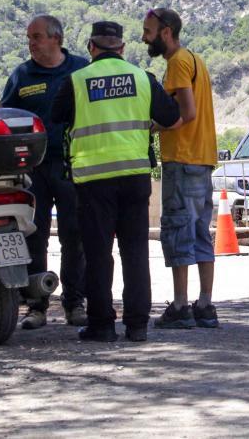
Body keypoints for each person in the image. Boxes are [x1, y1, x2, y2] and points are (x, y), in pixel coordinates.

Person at [52, 21, 180, 343]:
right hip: (135, 178)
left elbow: (56, 116)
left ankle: (102, 325)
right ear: (122, 49)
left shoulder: (76, 81)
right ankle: (137, 326)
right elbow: (172, 118)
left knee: (98, 255)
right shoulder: (142, 78)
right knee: (135, 252)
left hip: (93, 181)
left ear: (92, 49)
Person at [0, 14, 90, 330]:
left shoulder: (80, 69)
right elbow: (4, 116)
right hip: (32, 171)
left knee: (74, 235)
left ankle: (75, 303)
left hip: (70, 166)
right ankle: (36, 305)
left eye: (36, 37)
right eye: (29, 38)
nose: (31, 44)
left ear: (56, 38)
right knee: (33, 236)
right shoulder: (23, 74)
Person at [141, 8, 219, 330]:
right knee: (201, 234)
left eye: (149, 31)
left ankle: (180, 305)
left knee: (177, 232)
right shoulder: (195, 59)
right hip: (202, 159)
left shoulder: (176, 64)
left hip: (183, 159)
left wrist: (152, 127)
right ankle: (205, 304)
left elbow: (186, 112)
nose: (144, 37)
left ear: (166, 32)